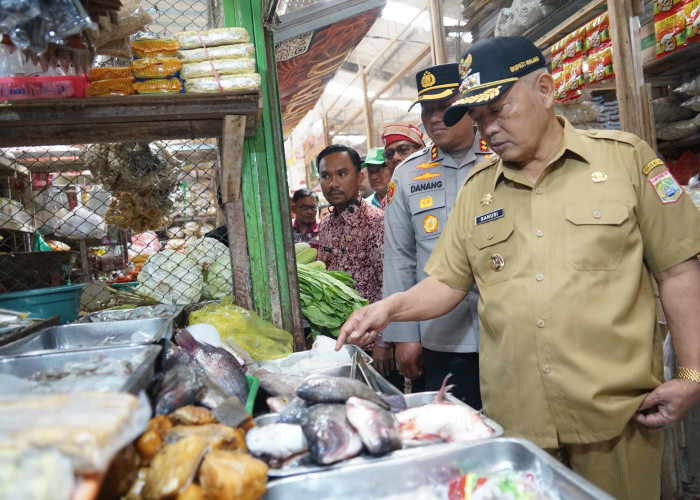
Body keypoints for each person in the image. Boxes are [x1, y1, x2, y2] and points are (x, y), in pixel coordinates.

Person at [335, 36, 700, 500]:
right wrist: (388, 310)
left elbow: (677, 270)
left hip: (619, 418)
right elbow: (446, 283)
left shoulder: (624, 161)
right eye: (479, 117)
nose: (488, 128)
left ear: (545, 90)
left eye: (499, 109)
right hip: (520, 424)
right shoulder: (477, 191)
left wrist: (692, 373)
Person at [381, 62, 491, 408]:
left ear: (470, 105)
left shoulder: (501, 158)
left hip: (507, 333)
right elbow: (398, 257)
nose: (434, 118)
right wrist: (404, 337)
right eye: (427, 109)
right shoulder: (408, 174)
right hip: (443, 337)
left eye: (445, 107)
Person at [316, 144, 393, 375]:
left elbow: (389, 285)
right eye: (325, 176)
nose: (333, 184)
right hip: (339, 343)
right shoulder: (327, 224)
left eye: (342, 174)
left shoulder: (376, 222)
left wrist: (384, 343)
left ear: (359, 177)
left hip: (371, 347)